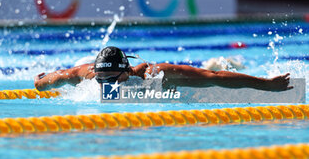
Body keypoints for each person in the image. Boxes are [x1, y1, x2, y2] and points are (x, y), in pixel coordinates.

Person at [34, 46, 292, 92]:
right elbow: (53, 79)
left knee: (209, 69)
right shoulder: (87, 75)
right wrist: (40, 82)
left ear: (126, 71)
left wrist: (265, 84)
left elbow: (213, 79)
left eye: (111, 79)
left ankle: (230, 59)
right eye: (100, 80)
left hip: (197, 74)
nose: (104, 85)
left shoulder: (155, 74)